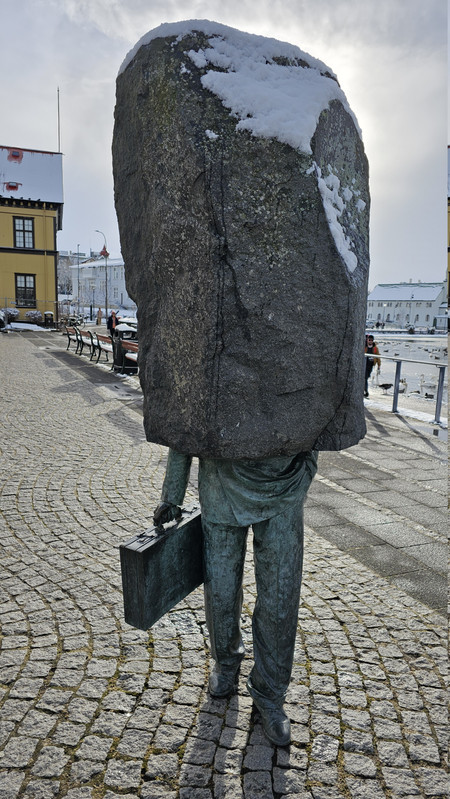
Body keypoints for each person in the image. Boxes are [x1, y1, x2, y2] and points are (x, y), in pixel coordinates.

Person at [154, 447, 318, 747]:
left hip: (285, 481)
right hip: (220, 480)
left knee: (281, 596)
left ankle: (269, 690)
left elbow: (325, 403)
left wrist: (309, 463)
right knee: (221, 589)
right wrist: (172, 493)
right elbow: (184, 415)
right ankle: (226, 660)